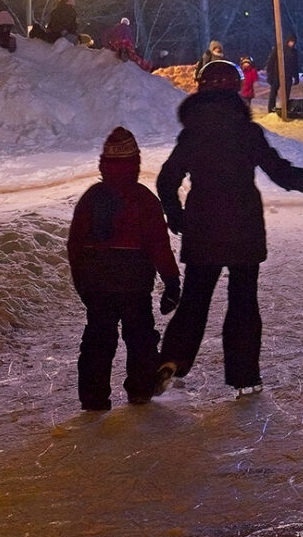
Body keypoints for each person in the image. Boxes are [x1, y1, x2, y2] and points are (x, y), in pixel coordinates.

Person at [156, 60, 303, 396]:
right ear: (235, 90)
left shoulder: (193, 133)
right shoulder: (246, 132)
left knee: (195, 298)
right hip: (243, 226)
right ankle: (244, 375)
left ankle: (172, 359)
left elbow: (166, 179)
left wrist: (176, 215)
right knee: (243, 301)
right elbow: (282, 173)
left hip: (203, 225)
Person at [68, 127, 182, 412]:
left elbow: (76, 244)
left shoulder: (91, 199)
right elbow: (158, 245)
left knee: (98, 338)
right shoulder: (143, 199)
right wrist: (171, 282)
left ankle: (93, 398)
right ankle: (141, 389)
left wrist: (82, 281)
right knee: (140, 335)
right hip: (134, 282)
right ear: (136, 163)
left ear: (103, 164)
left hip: (98, 281)